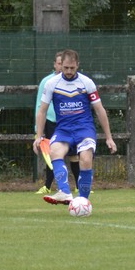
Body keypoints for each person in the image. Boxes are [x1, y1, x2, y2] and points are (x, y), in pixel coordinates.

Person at [33, 49, 117, 204]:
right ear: (60, 66)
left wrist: (109, 138)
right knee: (54, 151)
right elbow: (42, 110)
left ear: (78, 65)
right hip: (63, 129)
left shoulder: (87, 83)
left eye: (72, 68)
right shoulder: (52, 83)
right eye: (65, 68)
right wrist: (38, 136)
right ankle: (64, 192)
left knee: (85, 159)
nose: (69, 71)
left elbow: (99, 110)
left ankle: (83, 201)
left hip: (84, 129)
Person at [33, 52, 81, 194]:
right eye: (59, 64)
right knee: (53, 154)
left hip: (69, 123)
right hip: (51, 123)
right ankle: (48, 186)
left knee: (74, 154)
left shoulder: (77, 81)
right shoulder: (47, 82)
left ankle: (79, 186)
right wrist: (38, 129)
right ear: (55, 64)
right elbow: (40, 106)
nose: (62, 67)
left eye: (64, 64)